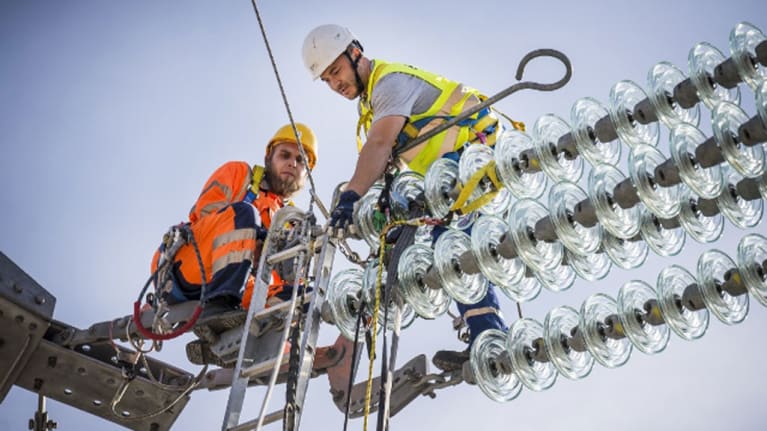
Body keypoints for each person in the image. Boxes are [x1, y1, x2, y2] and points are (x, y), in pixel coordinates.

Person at [302, 24, 520, 371]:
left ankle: (489, 338)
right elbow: (388, 162)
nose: (335, 83)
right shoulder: (371, 106)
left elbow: (379, 146)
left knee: (450, 242)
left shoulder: (389, 85)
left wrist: (351, 197)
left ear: (355, 53)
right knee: (442, 245)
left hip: (475, 150)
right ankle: (485, 335)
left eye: (336, 71)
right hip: (448, 171)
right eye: (327, 80)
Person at [151, 122, 317, 329]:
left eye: (300, 160)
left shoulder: (290, 222)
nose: (292, 163)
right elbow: (206, 215)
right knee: (244, 213)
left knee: (306, 297)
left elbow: (288, 277)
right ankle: (219, 307)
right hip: (190, 266)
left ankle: (259, 341)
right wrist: (261, 239)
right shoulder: (240, 175)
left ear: (307, 172)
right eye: (285, 155)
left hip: (241, 290)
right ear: (269, 158)